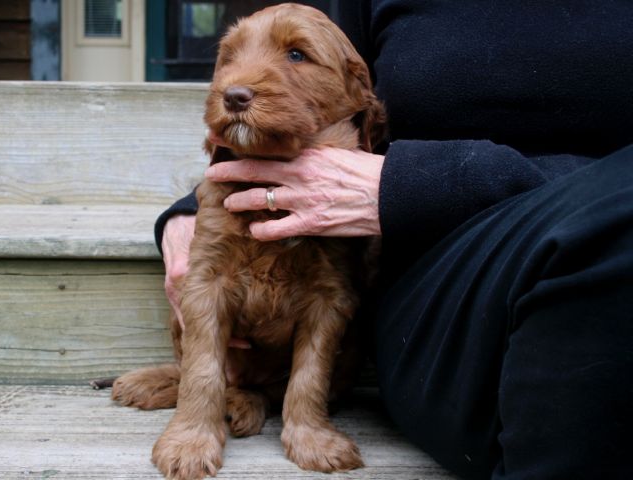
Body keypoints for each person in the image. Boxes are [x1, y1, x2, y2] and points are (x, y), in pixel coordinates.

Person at [154, 1, 633, 478]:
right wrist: (196, 206)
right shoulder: (340, 27)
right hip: (437, 286)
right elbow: (286, 71)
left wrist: (409, 183)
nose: (240, 79)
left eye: (296, 55)